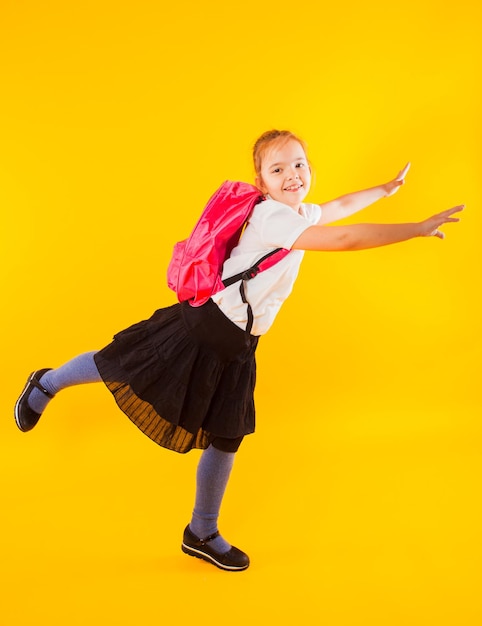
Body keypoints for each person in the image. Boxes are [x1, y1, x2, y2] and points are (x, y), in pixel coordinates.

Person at [14, 129, 463, 572]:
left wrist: (384, 190)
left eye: (300, 164)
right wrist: (416, 228)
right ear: (261, 181)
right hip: (204, 326)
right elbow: (344, 238)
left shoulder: (299, 213)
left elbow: (339, 208)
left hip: (240, 346)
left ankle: (201, 533)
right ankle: (46, 383)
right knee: (122, 364)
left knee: (227, 436)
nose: (292, 175)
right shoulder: (272, 218)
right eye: (278, 168)